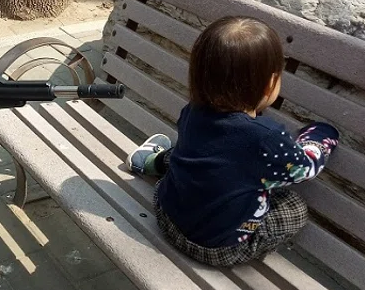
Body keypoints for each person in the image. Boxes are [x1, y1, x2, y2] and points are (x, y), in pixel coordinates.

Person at [128, 16, 339, 267]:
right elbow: (306, 167)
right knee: (294, 207)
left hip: (166, 215)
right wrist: (319, 136)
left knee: (197, 156)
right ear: (270, 83)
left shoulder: (194, 110)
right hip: (217, 249)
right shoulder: (266, 138)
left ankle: (152, 161)